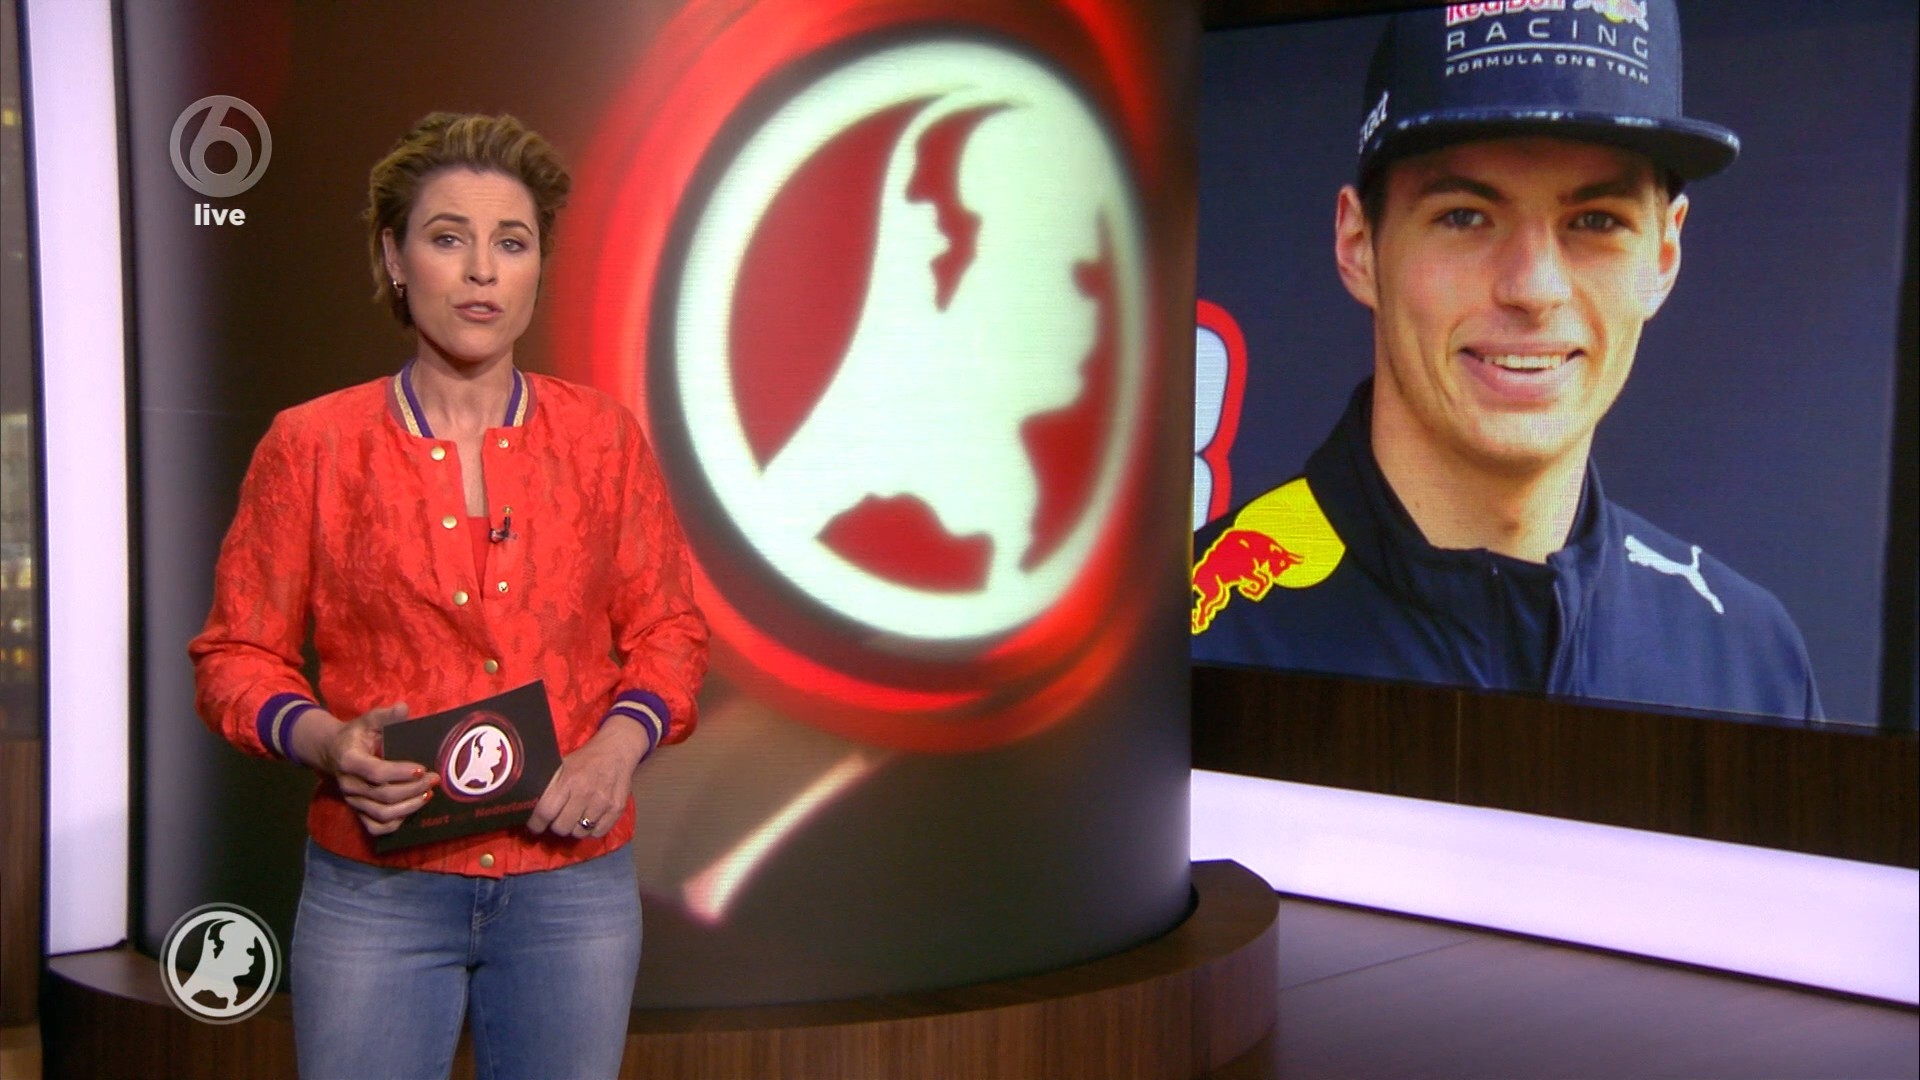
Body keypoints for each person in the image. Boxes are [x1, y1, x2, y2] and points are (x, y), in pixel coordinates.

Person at [190, 112, 708, 1079]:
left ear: (538, 266)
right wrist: (326, 740)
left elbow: (670, 630)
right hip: (376, 888)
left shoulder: (602, 438)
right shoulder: (312, 445)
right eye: (446, 238)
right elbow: (234, 656)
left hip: (570, 885)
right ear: (394, 258)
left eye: (511, 243)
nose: (480, 272)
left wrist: (617, 746)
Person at [1191, 0, 1820, 721]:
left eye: (1596, 221)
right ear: (1359, 245)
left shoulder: (1747, 659)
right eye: (1464, 216)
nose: (1533, 288)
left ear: (1664, 255)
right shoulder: (1174, 643)